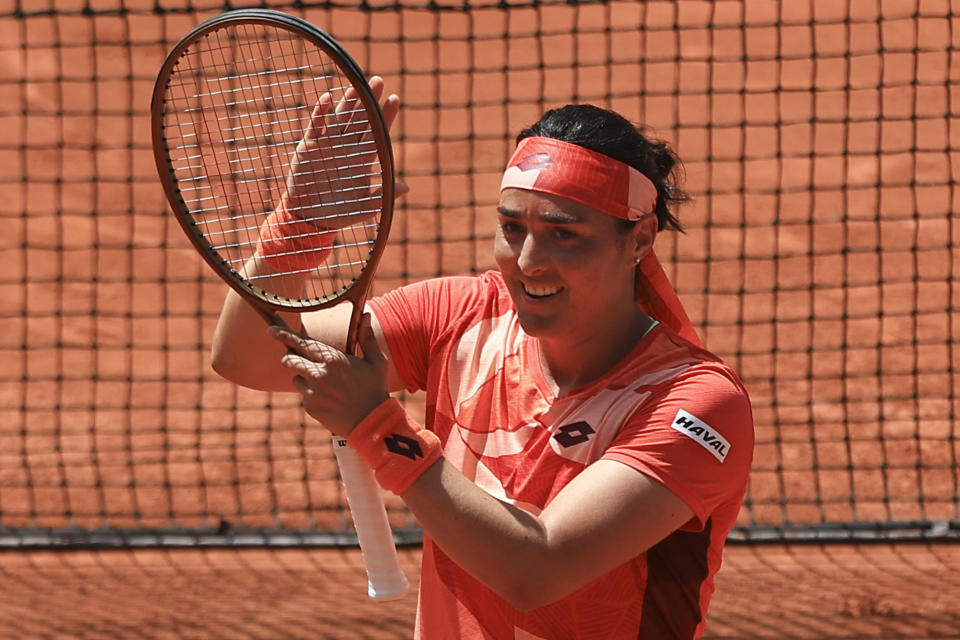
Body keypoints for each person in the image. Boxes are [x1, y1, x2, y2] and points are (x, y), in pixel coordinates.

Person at [211, 76, 754, 640]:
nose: (528, 260)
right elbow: (247, 357)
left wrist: (378, 428)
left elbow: (537, 569)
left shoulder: (694, 402)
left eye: (563, 235)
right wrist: (298, 228)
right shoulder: (461, 313)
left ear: (639, 240)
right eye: (511, 228)